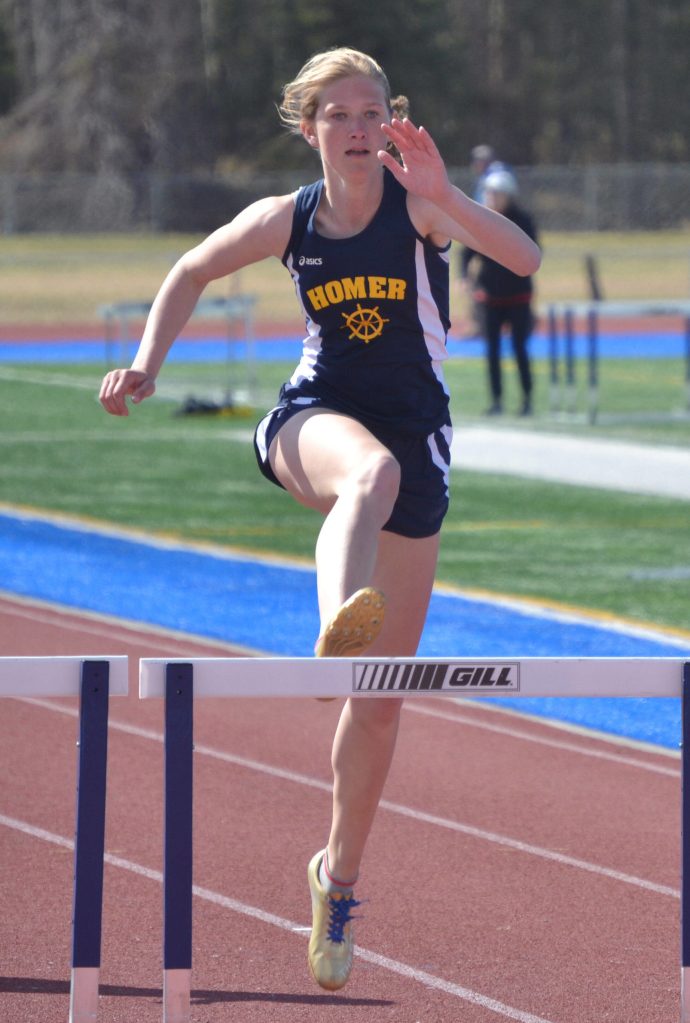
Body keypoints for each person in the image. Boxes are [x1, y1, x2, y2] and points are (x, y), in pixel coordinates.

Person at [99, 47, 540, 991]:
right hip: (316, 421)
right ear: (309, 130)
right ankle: (334, 627)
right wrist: (148, 364)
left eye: (370, 110)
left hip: (420, 443)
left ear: (389, 120)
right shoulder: (286, 220)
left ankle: (336, 877)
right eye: (336, 114)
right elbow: (189, 268)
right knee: (363, 478)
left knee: (380, 702)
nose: (355, 126)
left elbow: (525, 257)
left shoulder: (419, 204)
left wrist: (451, 197)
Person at [460, 168, 539, 416]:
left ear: (508, 194)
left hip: (518, 296)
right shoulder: (481, 219)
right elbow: (466, 252)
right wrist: (463, 277)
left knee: (519, 348)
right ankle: (497, 401)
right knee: (492, 351)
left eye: (496, 193)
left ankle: (527, 400)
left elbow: (533, 253)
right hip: (490, 297)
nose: (492, 198)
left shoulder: (522, 221)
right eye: (489, 193)